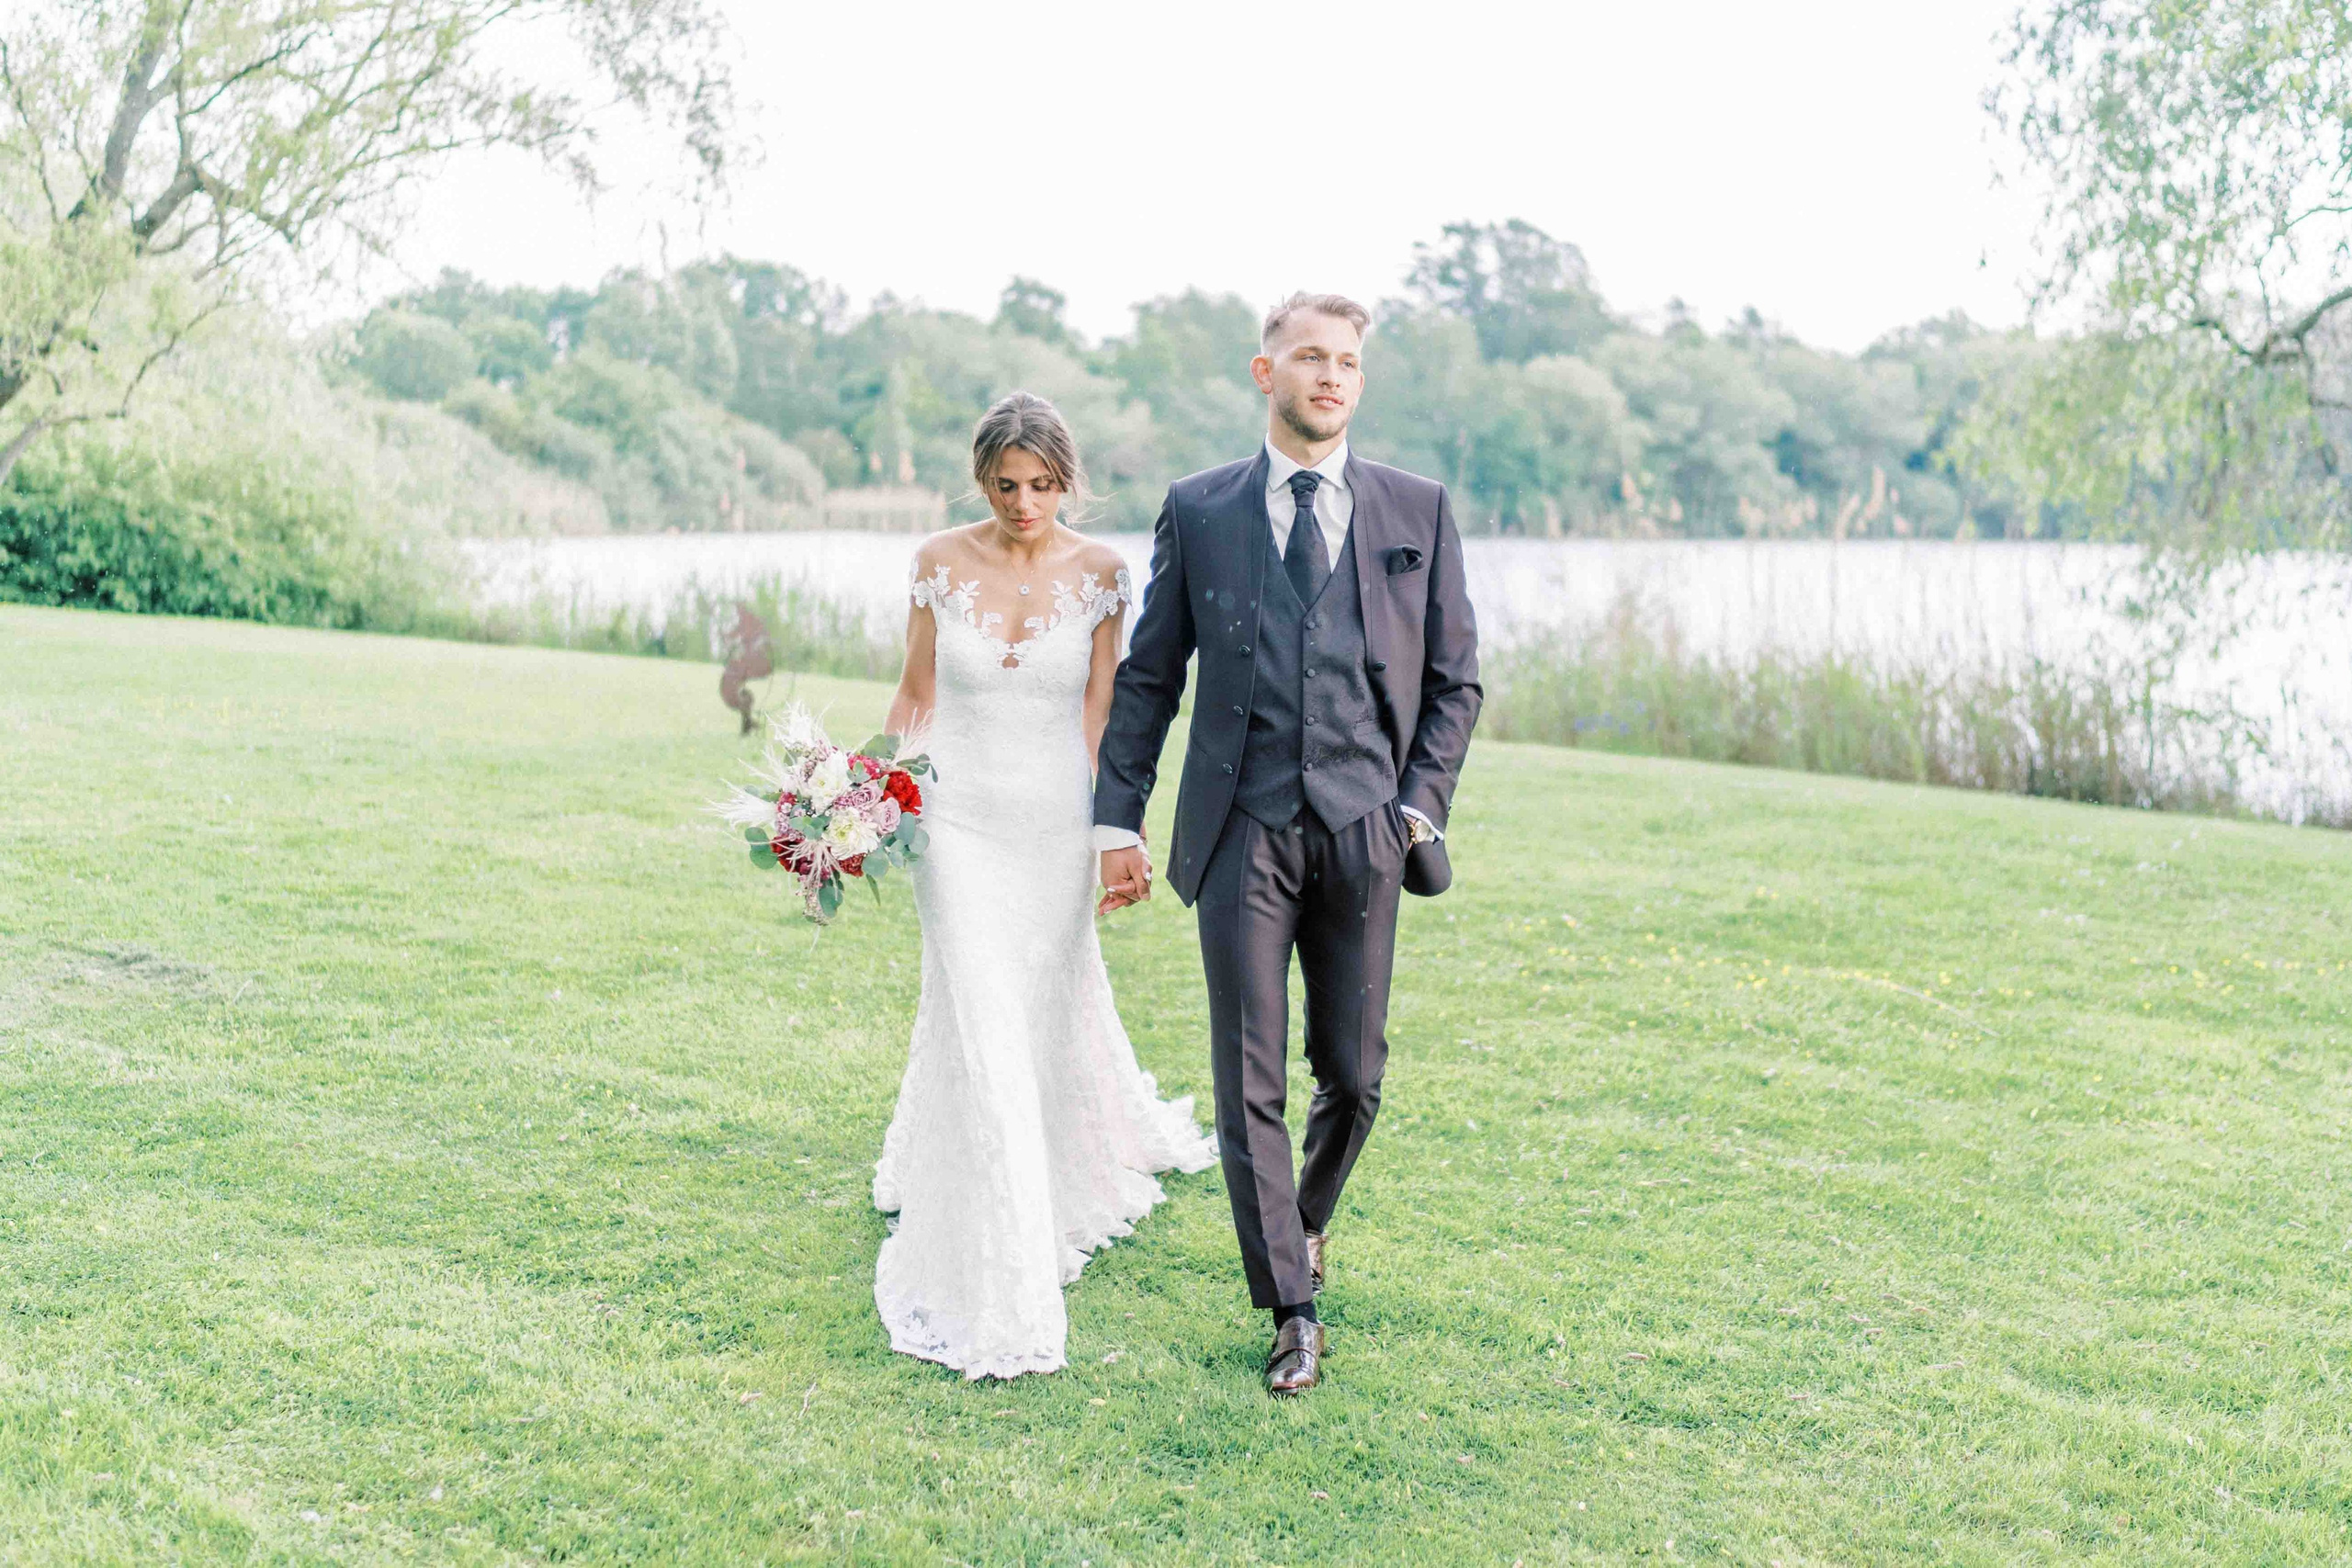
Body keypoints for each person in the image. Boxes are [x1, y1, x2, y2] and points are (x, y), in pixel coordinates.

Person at [1093, 292, 1482, 1396]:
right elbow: (1152, 677)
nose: (1330, 376)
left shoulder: (1419, 508)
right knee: (1247, 1078)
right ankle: (1292, 1309)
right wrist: (1117, 814)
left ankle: (1297, 1221)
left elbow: (1455, 683)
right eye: (1308, 357)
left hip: (1367, 829)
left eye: (1347, 363)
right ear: (1264, 373)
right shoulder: (1201, 509)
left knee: (1353, 1077)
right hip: (1241, 829)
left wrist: (1417, 806)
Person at [871, 391, 1216, 1380]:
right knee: (979, 1009)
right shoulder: (938, 562)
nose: (1025, 502)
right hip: (957, 824)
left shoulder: (1105, 575)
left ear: (1069, 478)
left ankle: (1065, 1171)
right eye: (1005, 484)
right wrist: (866, 792)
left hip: (1057, 824)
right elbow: (916, 692)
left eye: (1043, 483)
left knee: (1040, 1011)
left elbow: (1105, 713)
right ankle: (1003, 1269)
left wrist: (1120, 831)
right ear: (980, 480)